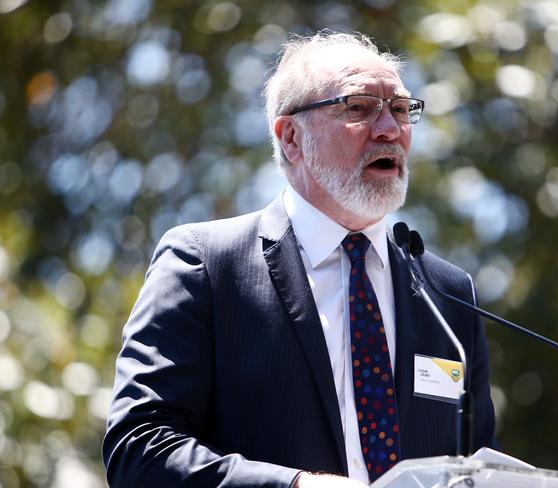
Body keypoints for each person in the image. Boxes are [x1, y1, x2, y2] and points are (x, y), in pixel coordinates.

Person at [103, 31, 496, 487]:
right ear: (291, 138)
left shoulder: (448, 296)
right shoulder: (207, 265)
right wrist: (296, 486)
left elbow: (478, 466)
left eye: (402, 109)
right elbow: (140, 448)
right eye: (359, 107)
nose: (390, 129)